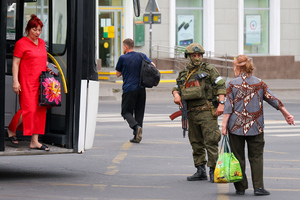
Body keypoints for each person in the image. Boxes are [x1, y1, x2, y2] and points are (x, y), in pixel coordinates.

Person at [221, 55, 295, 196]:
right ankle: (259, 188)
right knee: (256, 157)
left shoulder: (232, 84)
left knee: (238, 157)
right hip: (256, 126)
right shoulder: (259, 83)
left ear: (237, 67)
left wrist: (224, 125)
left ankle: (240, 187)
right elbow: (273, 99)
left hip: (236, 127)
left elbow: (228, 107)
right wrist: (286, 114)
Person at [172, 43, 226, 182]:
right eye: (194, 56)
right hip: (191, 113)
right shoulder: (184, 73)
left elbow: (221, 85)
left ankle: (213, 170)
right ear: (188, 57)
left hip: (207, 111)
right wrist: (176, 94)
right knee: (196, 143)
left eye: (199, 55)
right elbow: (177, 86)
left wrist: (221, 104)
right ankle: (200, 169)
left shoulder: (209, 70)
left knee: (211, 142)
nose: (197, 58)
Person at [7, 14, 54, 151]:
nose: (37, 33)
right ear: (28, 29)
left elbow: (41, 59)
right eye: (35, 30)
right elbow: (15, 64)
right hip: (26, 81)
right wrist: (16, 81)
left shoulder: (42, 43)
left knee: (40, 110)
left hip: (41, 82)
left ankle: (35, 141)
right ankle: (11, 128)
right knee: (28, 110)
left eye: (39, 30)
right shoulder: (21, 43)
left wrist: (49, 67)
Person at [115, 38, 156, 143]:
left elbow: (118, 74)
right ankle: (137, 136)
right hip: (141, 88)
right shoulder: (141, 55)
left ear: (125, 46)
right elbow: (153, 66)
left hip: (129, 89)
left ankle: (136, 127)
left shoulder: (123, 58)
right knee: (139, 112)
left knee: (125, 111)